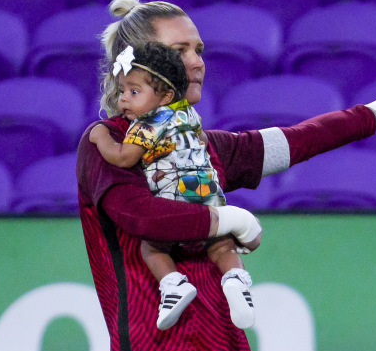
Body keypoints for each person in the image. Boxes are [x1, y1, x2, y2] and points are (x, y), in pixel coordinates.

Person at [76, 0, 376, 351]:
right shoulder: (109, 144)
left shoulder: (204, 146)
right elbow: (139, 215)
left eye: (199, 50)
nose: (196, 63)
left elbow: (295, 141)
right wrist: (225, 218)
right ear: (138, 71)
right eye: (180, 52)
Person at [89, 42, 259, 331]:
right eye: (122, 92)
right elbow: (203, 141)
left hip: (173, 196)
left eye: (133, 92)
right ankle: (235, 279)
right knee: (220, 244)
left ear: (165, 95)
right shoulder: (187, 115)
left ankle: (173, 286)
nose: (123, 102)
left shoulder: (147, 123)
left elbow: (124, 157)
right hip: (207, 190)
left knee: (152, 247)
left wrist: (100, 137)